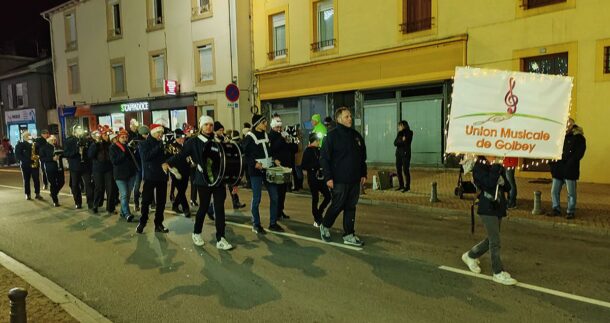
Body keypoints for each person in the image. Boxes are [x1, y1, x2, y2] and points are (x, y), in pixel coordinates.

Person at [164, 116, 233, 250]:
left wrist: (232, 181)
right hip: (203, 180)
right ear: (201, 126)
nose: (209, 127)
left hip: (219, 180)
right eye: (206, 124)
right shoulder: (193, 142)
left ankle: (221, 238)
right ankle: (196, 233)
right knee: (203, 207)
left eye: (211, 125)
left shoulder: (218, 140)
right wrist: (169, 162)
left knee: (219, 209)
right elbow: (181, 156)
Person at [461, 156, 517, 285]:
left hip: (498, 206)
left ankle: (470, 255)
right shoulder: (479, 166)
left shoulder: (496, 165)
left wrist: (504, 182)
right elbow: (489, 184)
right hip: (487, 207)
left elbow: (508, 187)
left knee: (491, 238)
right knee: (495, 241)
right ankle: (497, 272)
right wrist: (496, 167)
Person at [319, 107, 367, 246]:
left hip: (354, 179)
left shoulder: (356, 136)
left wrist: (363, 173)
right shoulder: (331, 136)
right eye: (347, 116)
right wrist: (328, 177)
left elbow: (362, 157)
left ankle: (349, 234)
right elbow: (324, 158)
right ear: (339, 119)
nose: (350, 118)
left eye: (350, 116)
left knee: (351, 207)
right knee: (337, 205)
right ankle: (325, 225)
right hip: (338, 180)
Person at [241, 114, 283, 234]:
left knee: (275, 197)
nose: (266, 124)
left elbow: (269, 151)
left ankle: (273, 223)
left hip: (268, 170)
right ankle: (256, 224)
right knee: (257, 199)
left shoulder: (266, 135)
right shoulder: (249, 137)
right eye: (264, 122)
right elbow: (245, 155)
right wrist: (254, 163)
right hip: (256, 173)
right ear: (257, 124)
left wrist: (274, 159)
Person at [548, 117, 586, 219]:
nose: (566, 126)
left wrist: (570, 162)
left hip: (570, 169)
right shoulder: (559, 136)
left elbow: (579, 153)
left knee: (571, 193)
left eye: (568, 124)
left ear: (572, 125)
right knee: (554, 191)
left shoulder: (579, 138)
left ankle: (570, 211)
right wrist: (552, 164)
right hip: (558, 169)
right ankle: (556, 208)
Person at [136, 124, 170, 234]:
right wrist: (159, 146)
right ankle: (142, 222)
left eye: (162, 132)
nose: (161, 134)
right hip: (150, 176)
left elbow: (168, 157)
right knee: (146, 201)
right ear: (153, 132)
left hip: (162, 176)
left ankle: (158, 224)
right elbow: (146, 157)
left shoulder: (162, 144)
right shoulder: (144, 144)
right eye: (158, 132)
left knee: (161, 202)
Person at [268, 116, 298, 220]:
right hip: (277, 167)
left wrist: (291, 141)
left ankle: (280, 210)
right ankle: (276, 212)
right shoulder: (270, 136)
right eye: (277, 127)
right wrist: (282, 138)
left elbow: (293, 149)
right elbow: (273, 149)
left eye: (280, 127)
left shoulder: (283, 135)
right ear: (273, 127)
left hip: (286, 166)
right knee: (277, 191)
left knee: (283, 191)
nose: (279, 129)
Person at [301, 132, 331, 227]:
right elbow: (304, 166)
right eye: (317, 140)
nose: (319, 142)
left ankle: (319, 211)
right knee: (315, 198)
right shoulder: (307, 151)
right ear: (314, 141)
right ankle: (317, 217)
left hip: (321, 178)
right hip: (313, 177)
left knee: (328, 196)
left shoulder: (319, 150)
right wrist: (315, 167)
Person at [215, 121, 246, 210]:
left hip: (227, 165)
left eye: (222, 130)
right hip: (219, 167)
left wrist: (228, 142)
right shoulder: (214, 139)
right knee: (219, 193)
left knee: (232, 182)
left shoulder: (225, 137)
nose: (221, 132)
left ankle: (236, 202)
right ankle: (211, 208)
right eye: (219, 130)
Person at [109, 129, 138, 222]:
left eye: (126, 137)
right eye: (122, 137)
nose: (125, 139)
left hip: (131, 174)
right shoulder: (113, 147)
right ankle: (127, 214)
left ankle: (122, 211)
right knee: (124, 194)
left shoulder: (128, 147)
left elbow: (133, 159)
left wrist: (133, 150)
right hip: (120, 175)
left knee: (128, 195)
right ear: (118, 138)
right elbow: (115, 161)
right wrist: (124, 152)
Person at [63, 125, 94, 209]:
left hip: (85, 166)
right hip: (74, 167)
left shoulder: (86, 140)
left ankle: (90, 202)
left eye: (81, 130)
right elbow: (65, 153)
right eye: (77, 130)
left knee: (89, 184)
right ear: (74, 131)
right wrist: (76, 150)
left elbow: (90, 153)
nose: (79, 131)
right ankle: (78, 202)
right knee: (75, 185)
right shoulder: (69, 140)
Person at [88, 127, 116, 215]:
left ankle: (110, 208)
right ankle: (95, 205)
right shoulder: (95, 144)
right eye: (104, 135)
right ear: (101, 136)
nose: (106, 136)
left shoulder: (110, 144)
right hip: (98, 169)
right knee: (99, 188)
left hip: (108, 169)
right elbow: (90, 155)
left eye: (107, 135)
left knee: (110, 188)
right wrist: (96, 144)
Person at [168, 129, 191, 218]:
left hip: (185, 170)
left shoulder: (185, 145)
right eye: (180, 138)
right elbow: (169, 158)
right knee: (181, 190)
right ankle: (186, 208)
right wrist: (171, 169)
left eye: (183, 138)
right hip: (175, 171)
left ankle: (175, 205)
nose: (182, 139)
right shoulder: (171, 146)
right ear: (176, 138)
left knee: (183, 189)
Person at [14, 131, 42, 200]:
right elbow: (18, 155)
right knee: (26, 180)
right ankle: (27, 194)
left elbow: (39, 152)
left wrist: (37, 156)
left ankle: (37, 193)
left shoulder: (34, 144)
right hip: (25, 165)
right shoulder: (20, 145)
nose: (29, 137)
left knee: (36, 180)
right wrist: (27, 160)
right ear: (24, 137)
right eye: (27, 136)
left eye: (29, 136)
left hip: (34, 164)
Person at [38, 135, 65, 207]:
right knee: (53, 184)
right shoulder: (44, 148)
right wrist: (52, 159)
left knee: (62, 182)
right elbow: (42, 159)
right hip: (50, 168)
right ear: (48, 140)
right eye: (52, 140)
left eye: (55, 140)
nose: (54, 141)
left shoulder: (58, 147)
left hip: (59, 168)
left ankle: (53, 193)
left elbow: (64, 153)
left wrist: (62, 154)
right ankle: (55, 201)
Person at [132, 125, 149, 212]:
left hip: (146, 166)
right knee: (137, 186)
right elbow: (133, 155)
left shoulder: (148, 141)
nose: (147, 135)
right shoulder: (135, 142)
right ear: (141, 134)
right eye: (146, 134)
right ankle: (136, 203)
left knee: (148, 185)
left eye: (147, 133)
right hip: (138, 167)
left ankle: (150, 202)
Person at [394, 120, 413, 192]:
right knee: (398, 170)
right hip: (398, 154)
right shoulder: (399, 133)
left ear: (403, 125)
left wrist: (401, 141)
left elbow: (407, 142)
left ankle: (407, 186)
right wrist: (402, 140)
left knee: (405, 170)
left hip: (405, 154)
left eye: (399, 126)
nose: (398, 127)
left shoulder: (410, 133)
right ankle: (401, 185)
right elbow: (395, 143)